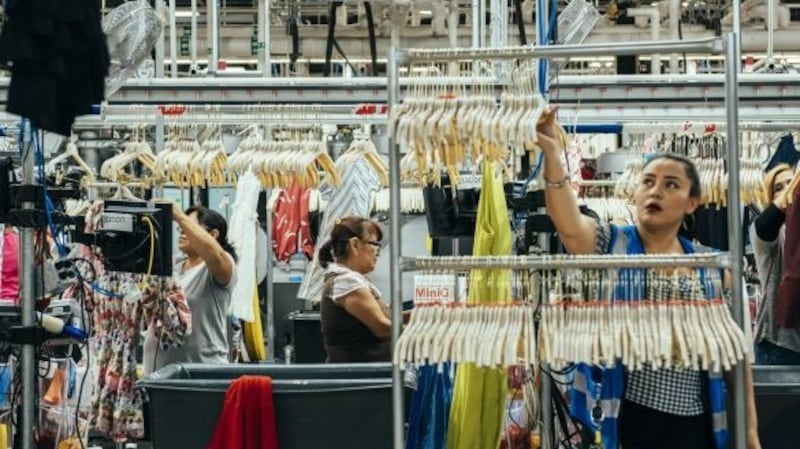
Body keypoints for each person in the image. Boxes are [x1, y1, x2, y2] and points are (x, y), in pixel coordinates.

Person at [536, 108, 761, 449]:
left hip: (695, 425)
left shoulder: (714, 270)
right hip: (626, 420)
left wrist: (751, 435)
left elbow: (736, 360)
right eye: (648, 182)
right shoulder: (611, 244)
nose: (656, 192)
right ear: (636, 193)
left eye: (671, 185)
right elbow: (568, 221)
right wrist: (552, 155)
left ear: (692, 203)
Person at [144, 205, 237, 373]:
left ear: (213, 235)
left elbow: (215, 254)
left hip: (200, 374)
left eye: (188, 227)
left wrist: (179, 215)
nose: (181, 231)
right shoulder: (172, 266)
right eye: (180, 228)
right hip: (159, 374)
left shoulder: (219, 267)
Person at [319, 216, 391, 363]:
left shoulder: (350, 280)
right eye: (375, 243)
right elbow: (381, 326)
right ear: (355, 245)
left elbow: (386, 317)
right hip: (363, 378)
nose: (378, 251)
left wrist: (421, 315)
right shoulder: (346, 282)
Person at [751, 163, 800, 364]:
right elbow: (765, 225)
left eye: (790, 183)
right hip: (779, 344)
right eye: (778, 187)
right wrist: (794, 188)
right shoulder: (766, 234)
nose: (787, 190)